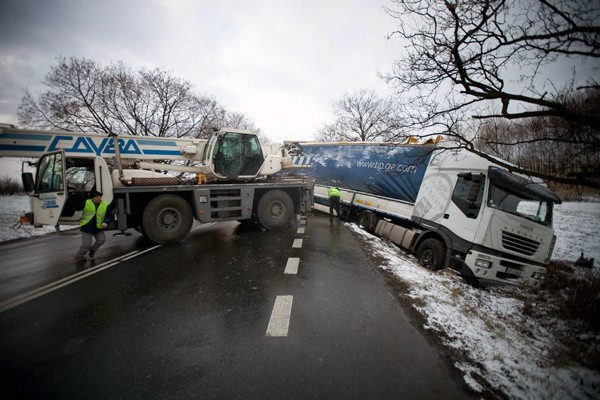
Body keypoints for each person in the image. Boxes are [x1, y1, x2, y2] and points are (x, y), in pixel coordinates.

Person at [75, 190, 112, 261]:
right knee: (86, 244)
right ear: (92, 198)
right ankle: (79, 256)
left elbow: (110, 216)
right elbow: (76, 207)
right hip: (87, 227)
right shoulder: (86, 202)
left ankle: (92, 250)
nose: (99, 198)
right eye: (97, 197)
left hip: (98, 227)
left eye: (100, 197)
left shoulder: (105, 205)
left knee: (102, 240)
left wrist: (105, 222)